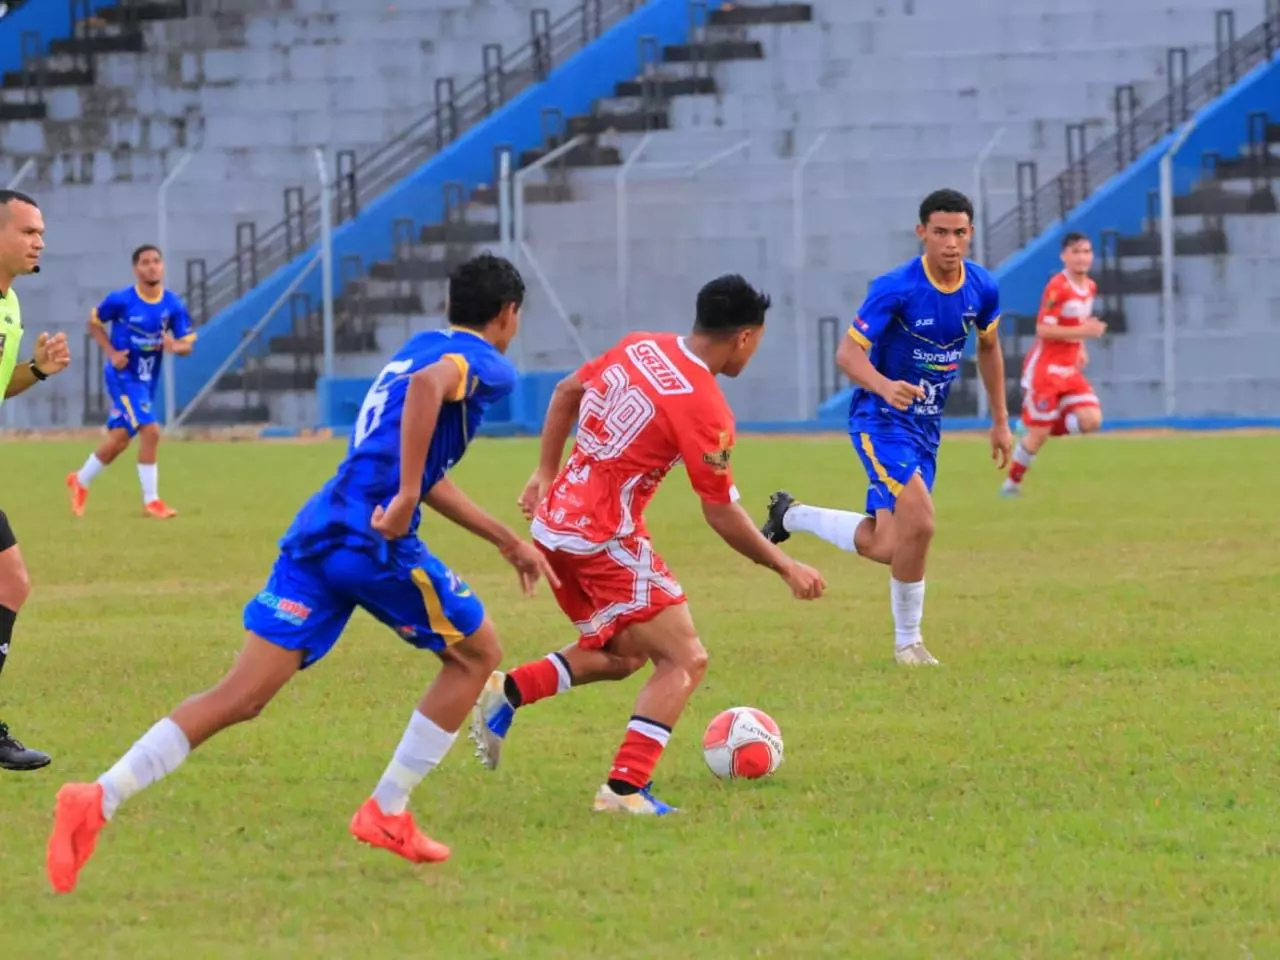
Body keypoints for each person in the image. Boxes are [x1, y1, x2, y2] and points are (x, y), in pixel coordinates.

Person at [46, 253, 557, 893]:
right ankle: (387, 811)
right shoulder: (486, 364)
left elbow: (424, 467)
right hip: (372, 541)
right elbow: (431, 396)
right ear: (507, 314)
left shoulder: (416, 345)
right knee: (477, 654)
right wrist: (402, 498)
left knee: (241, 696)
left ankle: (98, 797)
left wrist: (503, 537)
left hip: (322, 528)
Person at [469, 274, 825, 815]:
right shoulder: (706, 407)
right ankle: (623, 790)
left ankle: (509, 691)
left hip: (554, 526)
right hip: (602, 536)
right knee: (686, 658)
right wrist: (784, 564)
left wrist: (546, 471)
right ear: (746, 337)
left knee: (624, 655)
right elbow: (721, 512)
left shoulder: (641, 345)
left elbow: (567, 391)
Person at [758, 189, 1012, 666]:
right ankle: (908, 644)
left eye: (959, 232)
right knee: (923, 520)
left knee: (889, 545)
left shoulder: (983, 288)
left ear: (971, 234)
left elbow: (989, 349)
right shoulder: (896, 288)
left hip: (925, 428)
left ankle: (790, 515)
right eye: (940, 232)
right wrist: (883, 385)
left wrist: (1000, 421)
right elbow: (847, 354)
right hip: (880, 421)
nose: (951, 243)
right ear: (922, 233)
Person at [0, 189, 72, 771]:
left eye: (41, 232)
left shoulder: (11, 306)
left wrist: (37, 371)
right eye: (28, 231)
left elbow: (0, 385)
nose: (39, 241)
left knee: (11, 582)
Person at [66, 244, 196, 519]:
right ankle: (152, 501)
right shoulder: (121, 300)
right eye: (145, 262)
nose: (151, 266)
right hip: (123, 377)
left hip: (148, 379)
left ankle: (80, 480)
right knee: (151, 431)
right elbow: (94, 323)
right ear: (136, 269)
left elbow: (187, 345)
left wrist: (175, 346)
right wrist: (111, 352)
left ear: (162, 266)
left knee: (120, 440)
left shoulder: (172, 304)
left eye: (156, 261)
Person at [1000, 232, 1106, 497]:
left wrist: (1080, 345)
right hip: (1046, 369)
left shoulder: (1089, 287)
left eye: (1086, 251)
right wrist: (1084, 332)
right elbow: (1044, 330)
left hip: (1069, 369)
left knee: (1092, 419)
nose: (1082, 257)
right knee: (1037, 436)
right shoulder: (1057, 287)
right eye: (1076, 252)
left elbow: (1076, 322)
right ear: (1064, 256)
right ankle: (1011, 485)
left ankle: (1036, 422)